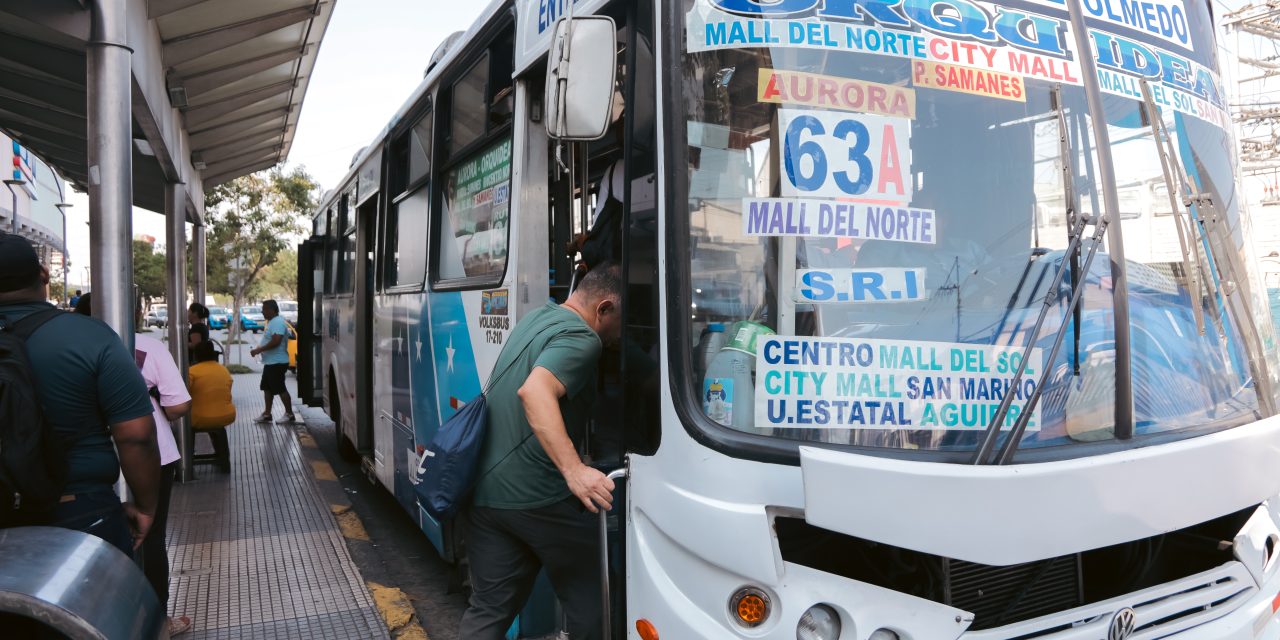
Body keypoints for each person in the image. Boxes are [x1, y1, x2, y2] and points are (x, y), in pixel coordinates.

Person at [458, 263, 623, 640]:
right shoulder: (584, 339)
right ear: (604, 309)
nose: (619, 334)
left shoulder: (539, 317)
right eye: (620, 321)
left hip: (483, 493)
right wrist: (574, 470)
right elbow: (534, 391)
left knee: (489, 609)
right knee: (595, 598)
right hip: (536, 497)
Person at [0, 233, 160, 557]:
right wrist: (146, 506)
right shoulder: (89, 337)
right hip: (79, 509)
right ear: (43, 274)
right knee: (100, 606)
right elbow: (136, 436)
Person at [131, 299, 194, 637]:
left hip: (85, 458)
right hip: (152, 454)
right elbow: (179, 405)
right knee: (151, 536)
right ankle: (158, 621)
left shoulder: (63, 346)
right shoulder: (146, 347)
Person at [189, 341, 235, 472]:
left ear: (196, 355)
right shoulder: (223, 370)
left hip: (199, 418)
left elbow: (183, 393)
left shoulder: (192, 371)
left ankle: (186, 460)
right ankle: (223, 459)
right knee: (216, 427)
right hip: (226, 415)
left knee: (179, 425)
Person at [249, 299, 294, 423]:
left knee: (280, 388)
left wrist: (259, 350)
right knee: (267, 388)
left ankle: (289, 414)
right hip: (270, 363)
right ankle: (267, 414)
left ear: (271, 310)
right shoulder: (272, 322)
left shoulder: (277, 322)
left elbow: (276, 341)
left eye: (264, 309)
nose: (262, 312)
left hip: (277, 363)